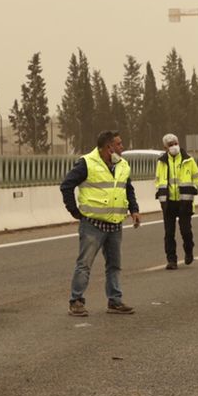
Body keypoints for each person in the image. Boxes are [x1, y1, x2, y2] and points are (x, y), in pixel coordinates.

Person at [61, 129, 142, 316]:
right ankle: (76, 301)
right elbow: (66, 185)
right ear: (109, 147)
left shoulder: (122, 165)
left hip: (114, 224)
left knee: (114, 265)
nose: (122, 148)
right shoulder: (87, 163)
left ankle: (115, 301)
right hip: (93, 224)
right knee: (84, 264)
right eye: (119, 144)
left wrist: (134, 210)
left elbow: (127, 188)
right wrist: (74, 211)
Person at [154, 132, 198, 269]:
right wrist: (161, 196)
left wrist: (193, 188)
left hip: (184, 201)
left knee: (185, 231)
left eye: (175, 143)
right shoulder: (161, 162)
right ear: (165, 147)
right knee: (169, 233)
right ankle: (171, 260)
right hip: (168, 203)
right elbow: (158, 180)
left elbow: (197, 177)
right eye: (170, 145)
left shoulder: (188, 160)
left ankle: (189, 251)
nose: (174, 146)